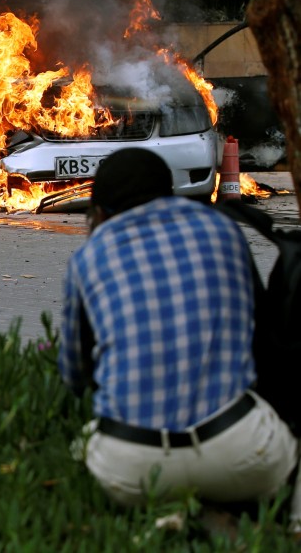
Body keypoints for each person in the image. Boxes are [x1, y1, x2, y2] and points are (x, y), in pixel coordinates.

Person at [57, 147, 298, 514]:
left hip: (133, 468)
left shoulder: (89, 258)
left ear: (99, 213)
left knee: (85, 445)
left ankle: (174, 513)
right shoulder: (221, 227)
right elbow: (260, 334)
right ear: (169, 194)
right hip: (240, 451)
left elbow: (75, 376)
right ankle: (288, 523)